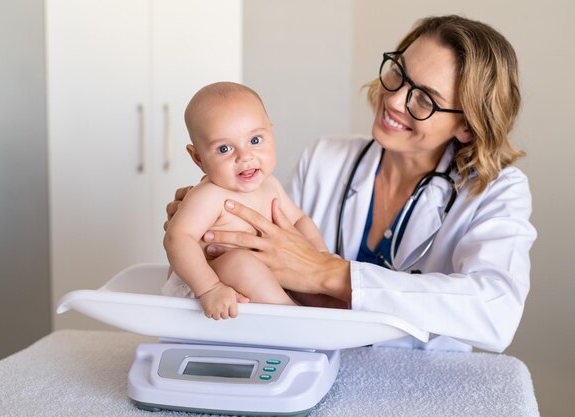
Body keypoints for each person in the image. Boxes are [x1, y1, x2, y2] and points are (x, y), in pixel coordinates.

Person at [166, 15, 537, 352]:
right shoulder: (326, 158)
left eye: (424, 99)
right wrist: (212, 225)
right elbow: (270, 258)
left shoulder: (497, 191)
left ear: (468, 126)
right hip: (308, 357)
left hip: (417, 375)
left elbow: (497, 310)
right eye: (398, 74)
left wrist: (327, 272)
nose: (393, 99)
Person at [162, 81, 332, 320]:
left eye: (255, 140)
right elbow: (177, 238)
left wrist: (321, 255)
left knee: (306, 278)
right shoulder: (209, 195)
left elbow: (300, 220)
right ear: (198, 158)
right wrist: (210, 287)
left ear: (271, 133)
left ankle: (326, 306)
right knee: (239, 262)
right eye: (224, 149)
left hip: (260, 282)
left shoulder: (270, 184)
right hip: (203, 285)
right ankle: (292, 316)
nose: (245, 156)